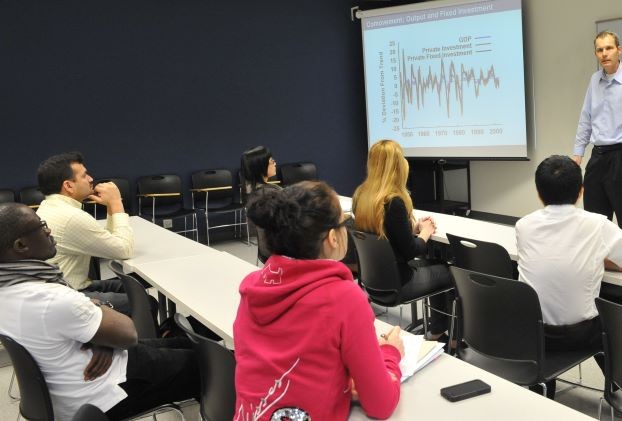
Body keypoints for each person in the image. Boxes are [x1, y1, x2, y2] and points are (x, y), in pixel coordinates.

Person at [0, 203, 199, 421]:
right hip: (104, 393)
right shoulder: (51, 298)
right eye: (41, 227)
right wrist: (101, 323)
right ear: (20, 245)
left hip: (72, 384)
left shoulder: (9, 290)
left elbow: (107, 333)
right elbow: (128, 334)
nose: (48, 230)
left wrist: (103, 337)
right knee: (211, 364)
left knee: (186, 344)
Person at [233, 181, 403, 420]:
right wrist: (390, 354)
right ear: (333, 237)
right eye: (344, 222)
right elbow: (381, 405)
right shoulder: (344, 298)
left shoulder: (252, 287)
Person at [516, 155, 622, 398]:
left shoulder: (524, 226)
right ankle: (615, 383)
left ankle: (543, 386)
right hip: (581, 335)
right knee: (610, 313)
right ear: (581, 192)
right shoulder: (598, 225)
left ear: (539, 193)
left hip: (533, 335)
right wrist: (600, 258)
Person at [352, 139, 453, 340]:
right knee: (448, 271)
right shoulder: (393, 202)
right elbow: (411, 251)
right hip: (399, 282)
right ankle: (445, 335)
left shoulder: (361, 196)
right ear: (397, 165)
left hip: (374, 281)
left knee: (434, 265)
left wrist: (410, 228)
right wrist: (425, 232)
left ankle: (437, 330)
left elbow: (383, 232)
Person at [36, 152, 133, 314]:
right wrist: (116, 202)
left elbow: (108, 243)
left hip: (66, 288)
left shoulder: (50, 206)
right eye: (84, 175)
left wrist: (110, 206)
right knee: (144, 302)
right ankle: (140, 339)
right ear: (68, 186)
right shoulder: (71, 217)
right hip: (71, 296)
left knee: (131, 288)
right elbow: (123, 250)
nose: (90, 179)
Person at [573, 31, 622, 227]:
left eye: (609, 48)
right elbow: (586, 118)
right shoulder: (595, 80)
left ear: (619, 50)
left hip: (620, 155)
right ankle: (600, 259)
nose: (604, 54)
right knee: (595, 223)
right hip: (598, 157)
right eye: (599, 50)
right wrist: (578, 153)